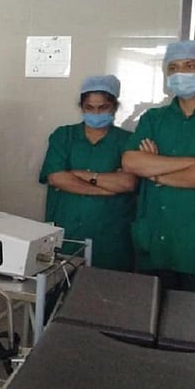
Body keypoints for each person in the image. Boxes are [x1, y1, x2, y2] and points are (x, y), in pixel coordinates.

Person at [122, 40, 195, 293]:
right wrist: (192, 163)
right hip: (155, 244)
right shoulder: (154, 118)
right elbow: (131, 162)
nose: (180, 73)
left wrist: (157, 174)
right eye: (173, 68)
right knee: (149, 325)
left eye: (190, 65)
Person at [39, 75, 137, 271]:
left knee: (107, 293)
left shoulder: (128, 140)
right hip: (67, 232)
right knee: (59, 291)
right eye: (89, 107)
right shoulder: (64, 135)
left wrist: (83, 175)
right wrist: (105, 187)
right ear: (82, 107)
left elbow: (128, 183)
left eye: (103, 108)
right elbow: (56, 177)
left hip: (111, 236)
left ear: (114, 108)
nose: (96, 113)